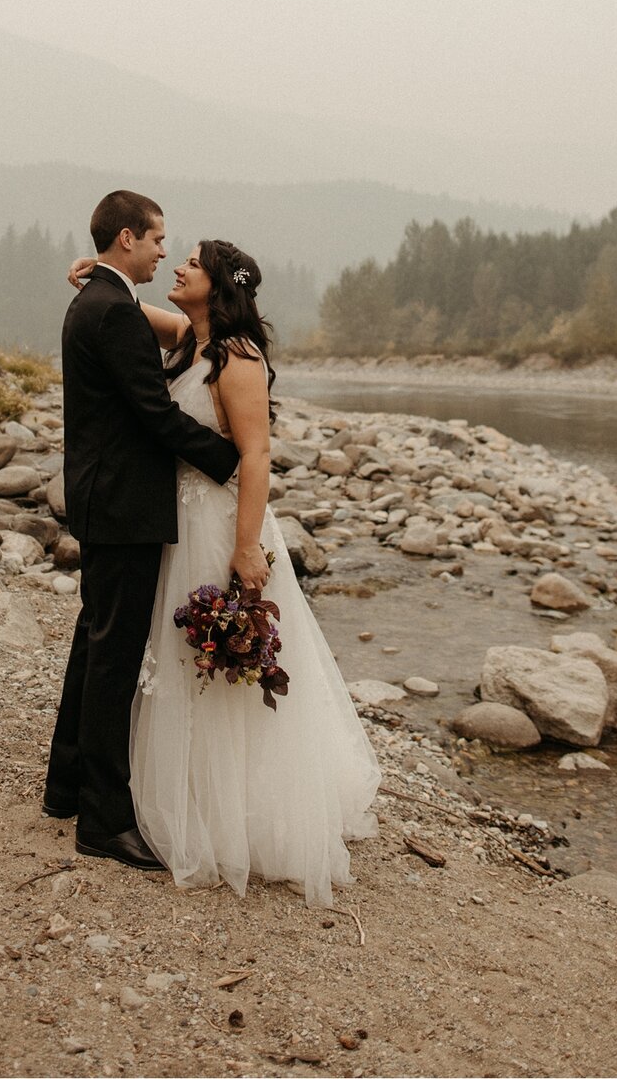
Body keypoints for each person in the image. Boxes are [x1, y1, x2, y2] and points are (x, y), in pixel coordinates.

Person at [63, 236, 381, 902]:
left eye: (190, 264)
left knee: (217, 660)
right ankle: (176, 793)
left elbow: (256, 457)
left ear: (217, 285)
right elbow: (129, 309)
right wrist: (97, 274)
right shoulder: (191, 336)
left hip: (219, 523)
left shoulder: (236, 357)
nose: (176, 266)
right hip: (176, 523)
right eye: (167, 253)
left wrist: (246, 549)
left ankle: (230, 809)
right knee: (172, 657)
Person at [43, 190, 239, 870]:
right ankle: (102, 819)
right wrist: (227, 459)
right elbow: (156, 415)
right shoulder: (114, 312)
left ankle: (66, 786)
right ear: (127, 238)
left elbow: (184, 341)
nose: (164, 251)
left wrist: (91, 269)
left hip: (104, 501)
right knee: (113, 662)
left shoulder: (97, 301)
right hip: (123, 506)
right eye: (158, 240)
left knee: (92, 648)